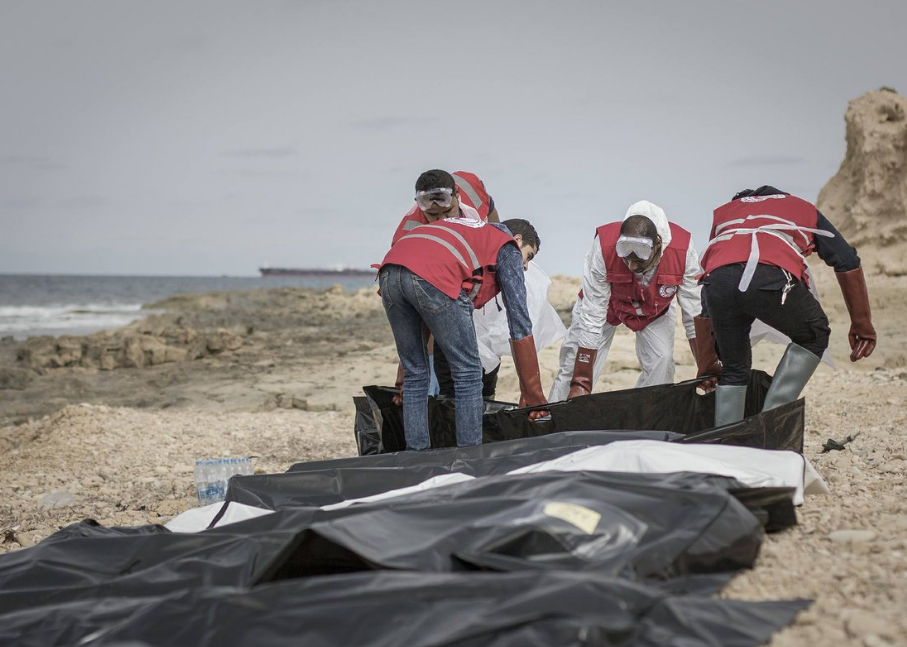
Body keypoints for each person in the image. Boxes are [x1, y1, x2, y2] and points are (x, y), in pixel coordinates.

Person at [699, 185, 876, 426]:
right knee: (814, 334)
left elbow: (714, 267)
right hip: (769, 275)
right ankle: (770, 427)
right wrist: (862, 323)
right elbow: (846, 259)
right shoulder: (800, 207)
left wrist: (707, 361)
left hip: (717, 284)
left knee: (734, 368)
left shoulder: (725, 213)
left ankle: (724, 439)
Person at [377, 212, 548, 450]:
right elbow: (519, 319)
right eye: (528, 256)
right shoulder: (507, 245)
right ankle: (470, 456)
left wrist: (401, 383)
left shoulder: (471, 230)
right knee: (468, 373)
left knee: (416, 373)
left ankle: (415, 456)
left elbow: (423, 311)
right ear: (517, 240)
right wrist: (534, 397)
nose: (526, 266)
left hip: (390, 271)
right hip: (430, 275)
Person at [550, 200, 719, 402]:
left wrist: (706, 365)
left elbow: (694, 313)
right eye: (626, 259)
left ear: (657, 246)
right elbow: (593, 312)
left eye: (639, 261)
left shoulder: (683, 251)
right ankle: (557, 412)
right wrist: (581, 382)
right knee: (573, 367)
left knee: (663, 361)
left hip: (655, 310)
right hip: (606, 307)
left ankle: (649, 415)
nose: (631, 266)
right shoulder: (603, 246)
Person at [391, 170, 502, 400]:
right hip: (428, 279)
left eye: (448, 212)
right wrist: (406, 377)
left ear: (457, 195)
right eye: (433, 216)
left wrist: (497, 248)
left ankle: (486, 397)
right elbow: (418, 313)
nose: (443, 221)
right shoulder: (408, 233)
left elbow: (490, 210)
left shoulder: (470, 185)